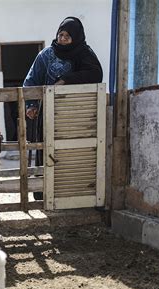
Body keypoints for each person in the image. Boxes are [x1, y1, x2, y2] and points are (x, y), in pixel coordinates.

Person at [23, 16, 103, 200]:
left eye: (67, 35)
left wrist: (66, 80)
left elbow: (95, 74)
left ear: (76, 37)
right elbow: (31, 81)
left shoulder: (85, 54)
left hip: (76, 114)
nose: (63, 39)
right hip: (49, 113)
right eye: (60, 34)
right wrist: (32, 104)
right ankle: (44, 194)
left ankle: (70, 194)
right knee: (48, 150)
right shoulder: (46, 55)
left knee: (72, 154)